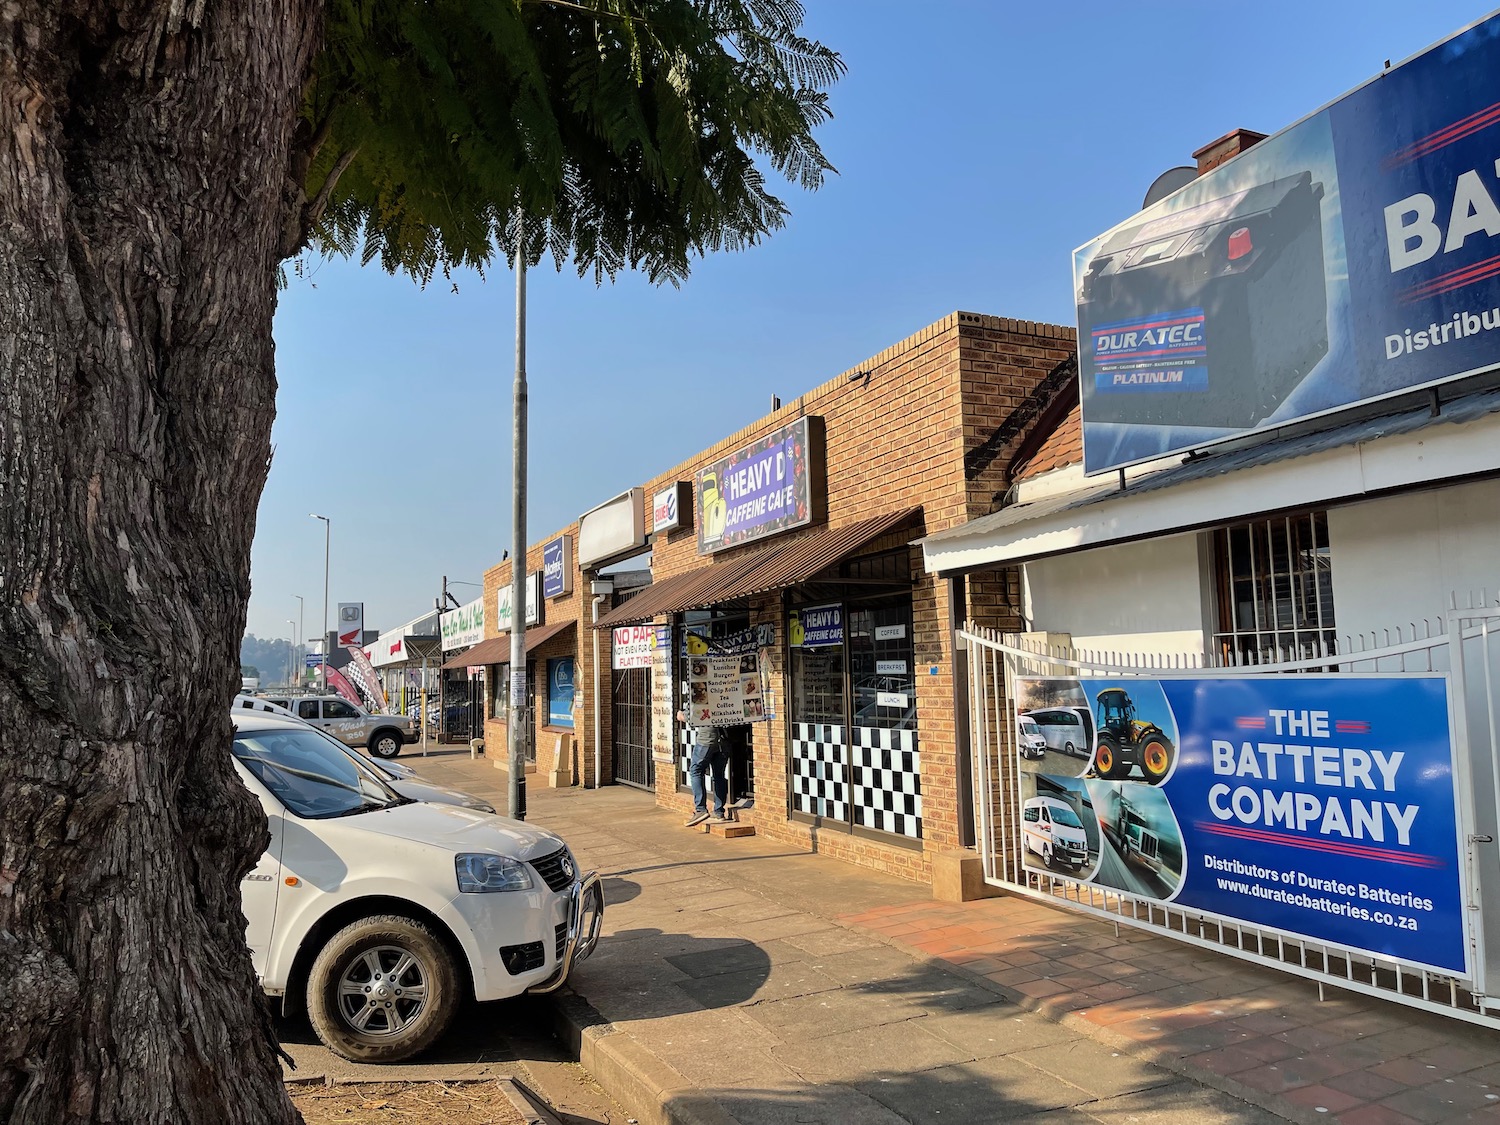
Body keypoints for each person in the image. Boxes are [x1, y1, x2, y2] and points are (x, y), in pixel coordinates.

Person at [678, 708, 730, 826]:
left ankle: (700, 809)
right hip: (724, 741)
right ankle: (719, 811)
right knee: (719, 775)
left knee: (696, 771)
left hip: (706, 740)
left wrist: (681, 714)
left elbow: (690, 717)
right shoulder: (726, 695)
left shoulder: (703, 696)